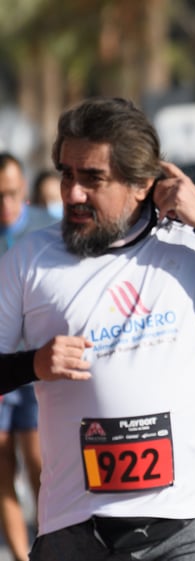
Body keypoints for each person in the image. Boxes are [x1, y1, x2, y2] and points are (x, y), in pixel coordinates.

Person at [0, 97, 195, 561]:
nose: (72, 193)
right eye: (67, 174)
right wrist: (33, 363)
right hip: (76, 532)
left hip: (189, 528)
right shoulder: (29, 260)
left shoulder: (190, 247)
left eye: (93, 178)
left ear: (140, 185)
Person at [0, 153, 56, 561]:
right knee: (2, 470)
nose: (6, 204)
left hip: (34, 365)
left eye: (13, 194)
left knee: (39, 465)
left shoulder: (45, 231)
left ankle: (46, 544)